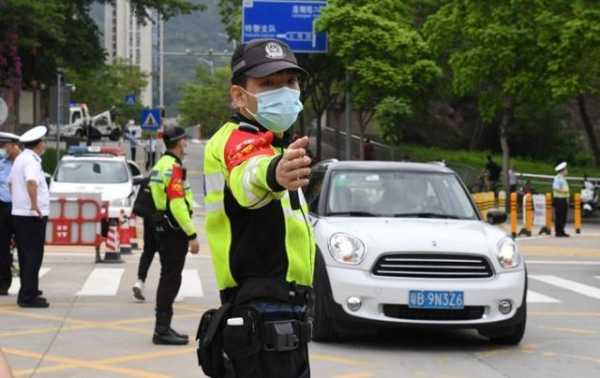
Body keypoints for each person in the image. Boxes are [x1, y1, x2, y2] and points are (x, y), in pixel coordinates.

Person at [203, 38, 315, 378]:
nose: (283, 91)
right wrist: (274, 175)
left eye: (289, 82)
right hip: (261, 307)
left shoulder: (274, 145)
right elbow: (248, 177)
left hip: (285, 310)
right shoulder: (238, 140)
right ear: (239, 95)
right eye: (268, 84)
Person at [149, 126, 200, 345]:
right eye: (185, 141)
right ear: (179, 143)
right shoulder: (173, 167)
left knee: (168, 277)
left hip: (162, 226)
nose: (186, 145)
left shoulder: (161, 164)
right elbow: (178, 204)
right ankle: (161, 330)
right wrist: (192, 234)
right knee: (171, 279)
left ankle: (164, 327)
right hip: (174, 230)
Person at [8, 126, 50, 308]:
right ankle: (28, 297)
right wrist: (33, 205)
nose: (45, 145)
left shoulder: (20, 159)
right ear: (39, 144)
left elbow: (10, 183)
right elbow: (31, 183)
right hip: (31, 215)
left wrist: (19, 202)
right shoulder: (32, 161)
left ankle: (29, 290)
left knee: (26, 255)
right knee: (33, 255)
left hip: (19, 213)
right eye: (44, 142)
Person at [0, 132, 21, 295]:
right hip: (3, 208)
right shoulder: (1, 162)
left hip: (20, 209)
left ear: (14, 145)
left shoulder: (23, 163)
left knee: (25, 248)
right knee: (2, 248)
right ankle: (3, 284)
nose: (3, 149)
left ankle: (28, 286)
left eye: (6, 145)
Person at [553, 161, 570, 237]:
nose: (567, 171)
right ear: (562, 170)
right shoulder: (558, 178)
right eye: (566, 170)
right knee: (559, 216)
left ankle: (562, 230)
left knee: (563, 216)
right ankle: (558, 231)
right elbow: (555, 188)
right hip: (559, 199)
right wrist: (564, 191)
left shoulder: (563, 178)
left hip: (563, 199)